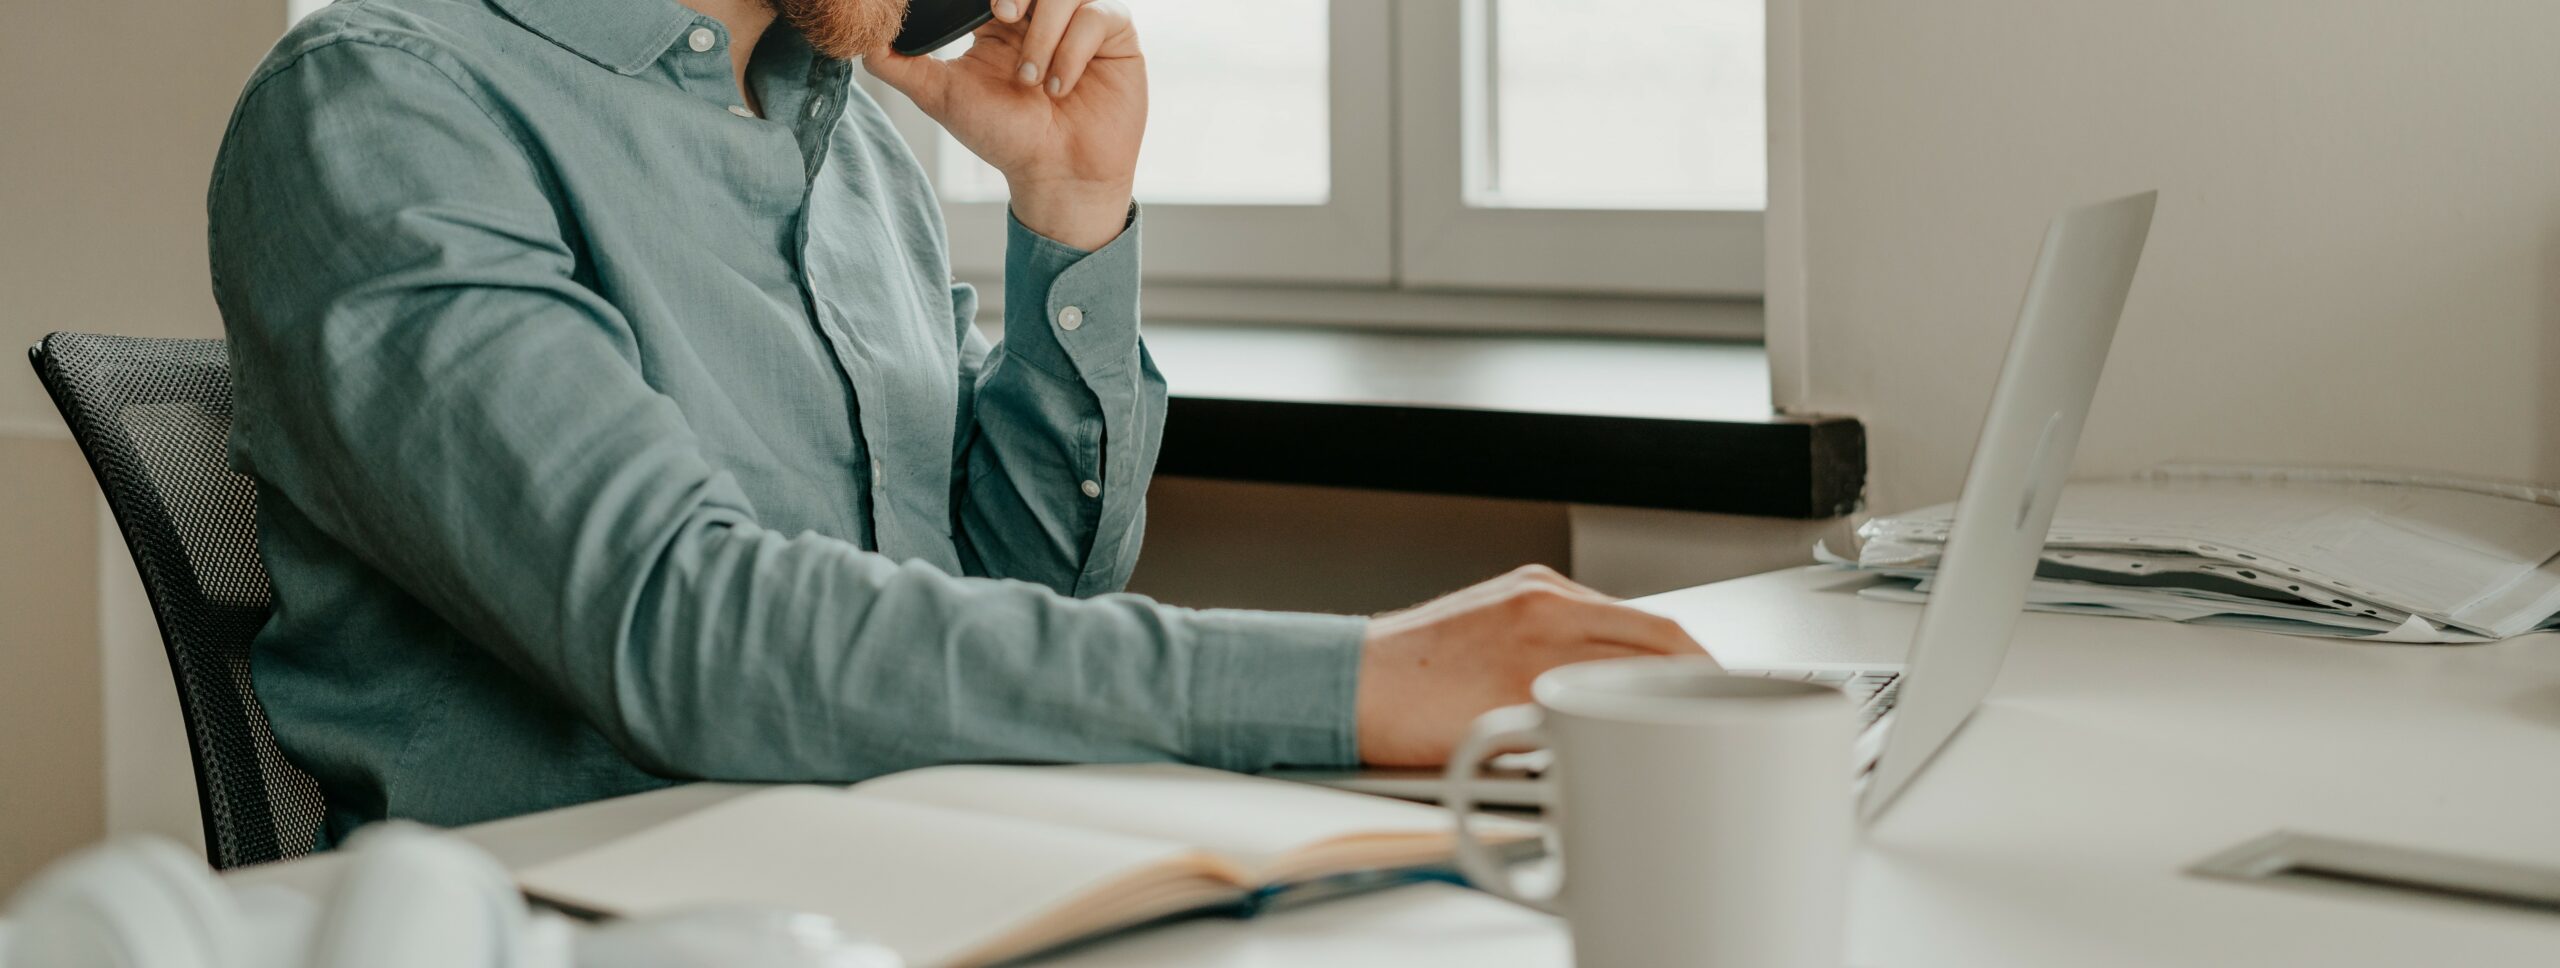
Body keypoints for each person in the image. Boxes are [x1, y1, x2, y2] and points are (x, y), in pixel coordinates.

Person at [209, 0, 1707, 844]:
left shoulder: (848, 135)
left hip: (912, 873)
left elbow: (1019, 600)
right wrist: (1354, 678)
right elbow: (684, 625)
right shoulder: (384, 109)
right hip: (590, 921)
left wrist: (1070, 208)